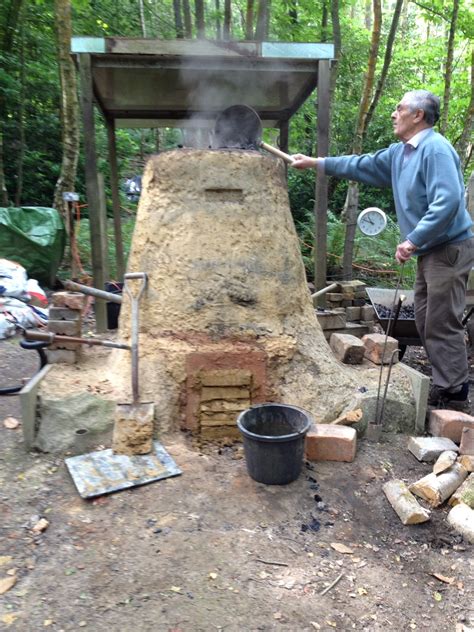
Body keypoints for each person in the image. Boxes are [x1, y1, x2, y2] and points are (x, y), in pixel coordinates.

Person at [292, 89, 473, 411]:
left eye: (399, 107)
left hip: (448, 247)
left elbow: (448, 202)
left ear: (418, 115)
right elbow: (361, 165)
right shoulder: (402, 152)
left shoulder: (435, 150)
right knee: (425, 318)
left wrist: (413, 238)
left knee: (441, 320)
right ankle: (447, 382)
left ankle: (455, 394)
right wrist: (317, 163)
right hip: (431, 249)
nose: (393, 113)